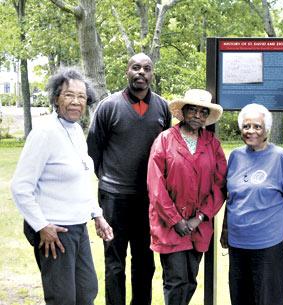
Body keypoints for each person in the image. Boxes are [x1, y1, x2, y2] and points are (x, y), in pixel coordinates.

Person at [11, 67, 114, 305]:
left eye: (81, 96)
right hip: (54, 231)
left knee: (86, 291)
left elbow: (80, 178)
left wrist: (97, 215)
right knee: (63, 298)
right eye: (69, 95)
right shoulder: (45, 132)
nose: (76, 101)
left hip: (77, 227)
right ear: (56, 98)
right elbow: (20, 186)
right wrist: (41, 225)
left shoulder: (76, 130)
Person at [87, 53, 171, 305]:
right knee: (114, 262)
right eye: (136, 67)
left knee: (145, 262)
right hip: (115, 198)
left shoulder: (162, 107)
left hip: (149, 199)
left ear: (152, 74)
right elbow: (93, 152)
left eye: (146, 68)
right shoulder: (108, 106)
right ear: (127, 71)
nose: (141, 73)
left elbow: (166, 149)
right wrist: (110, 181)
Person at [147, 89, 227, 305]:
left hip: (198, 225)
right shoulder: (164, 140)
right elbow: (155, 185)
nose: (197, 116)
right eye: (193, 110)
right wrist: (175, 220)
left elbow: (220, 185)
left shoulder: (212, 144)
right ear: (183, 112)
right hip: (170, 224)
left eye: (203, 112)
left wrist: (199, 218)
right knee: (176, 279)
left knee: (190, 279)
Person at [219, 103, 283, 305]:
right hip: (238, 244)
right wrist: (226, 229)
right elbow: (232, 197)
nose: (251, 131)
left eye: (257, 126)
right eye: (246, 126)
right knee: (240, 298)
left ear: (266, 130)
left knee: (268, 299)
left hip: (269, 244)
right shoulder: (236, 156)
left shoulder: (279, 157)